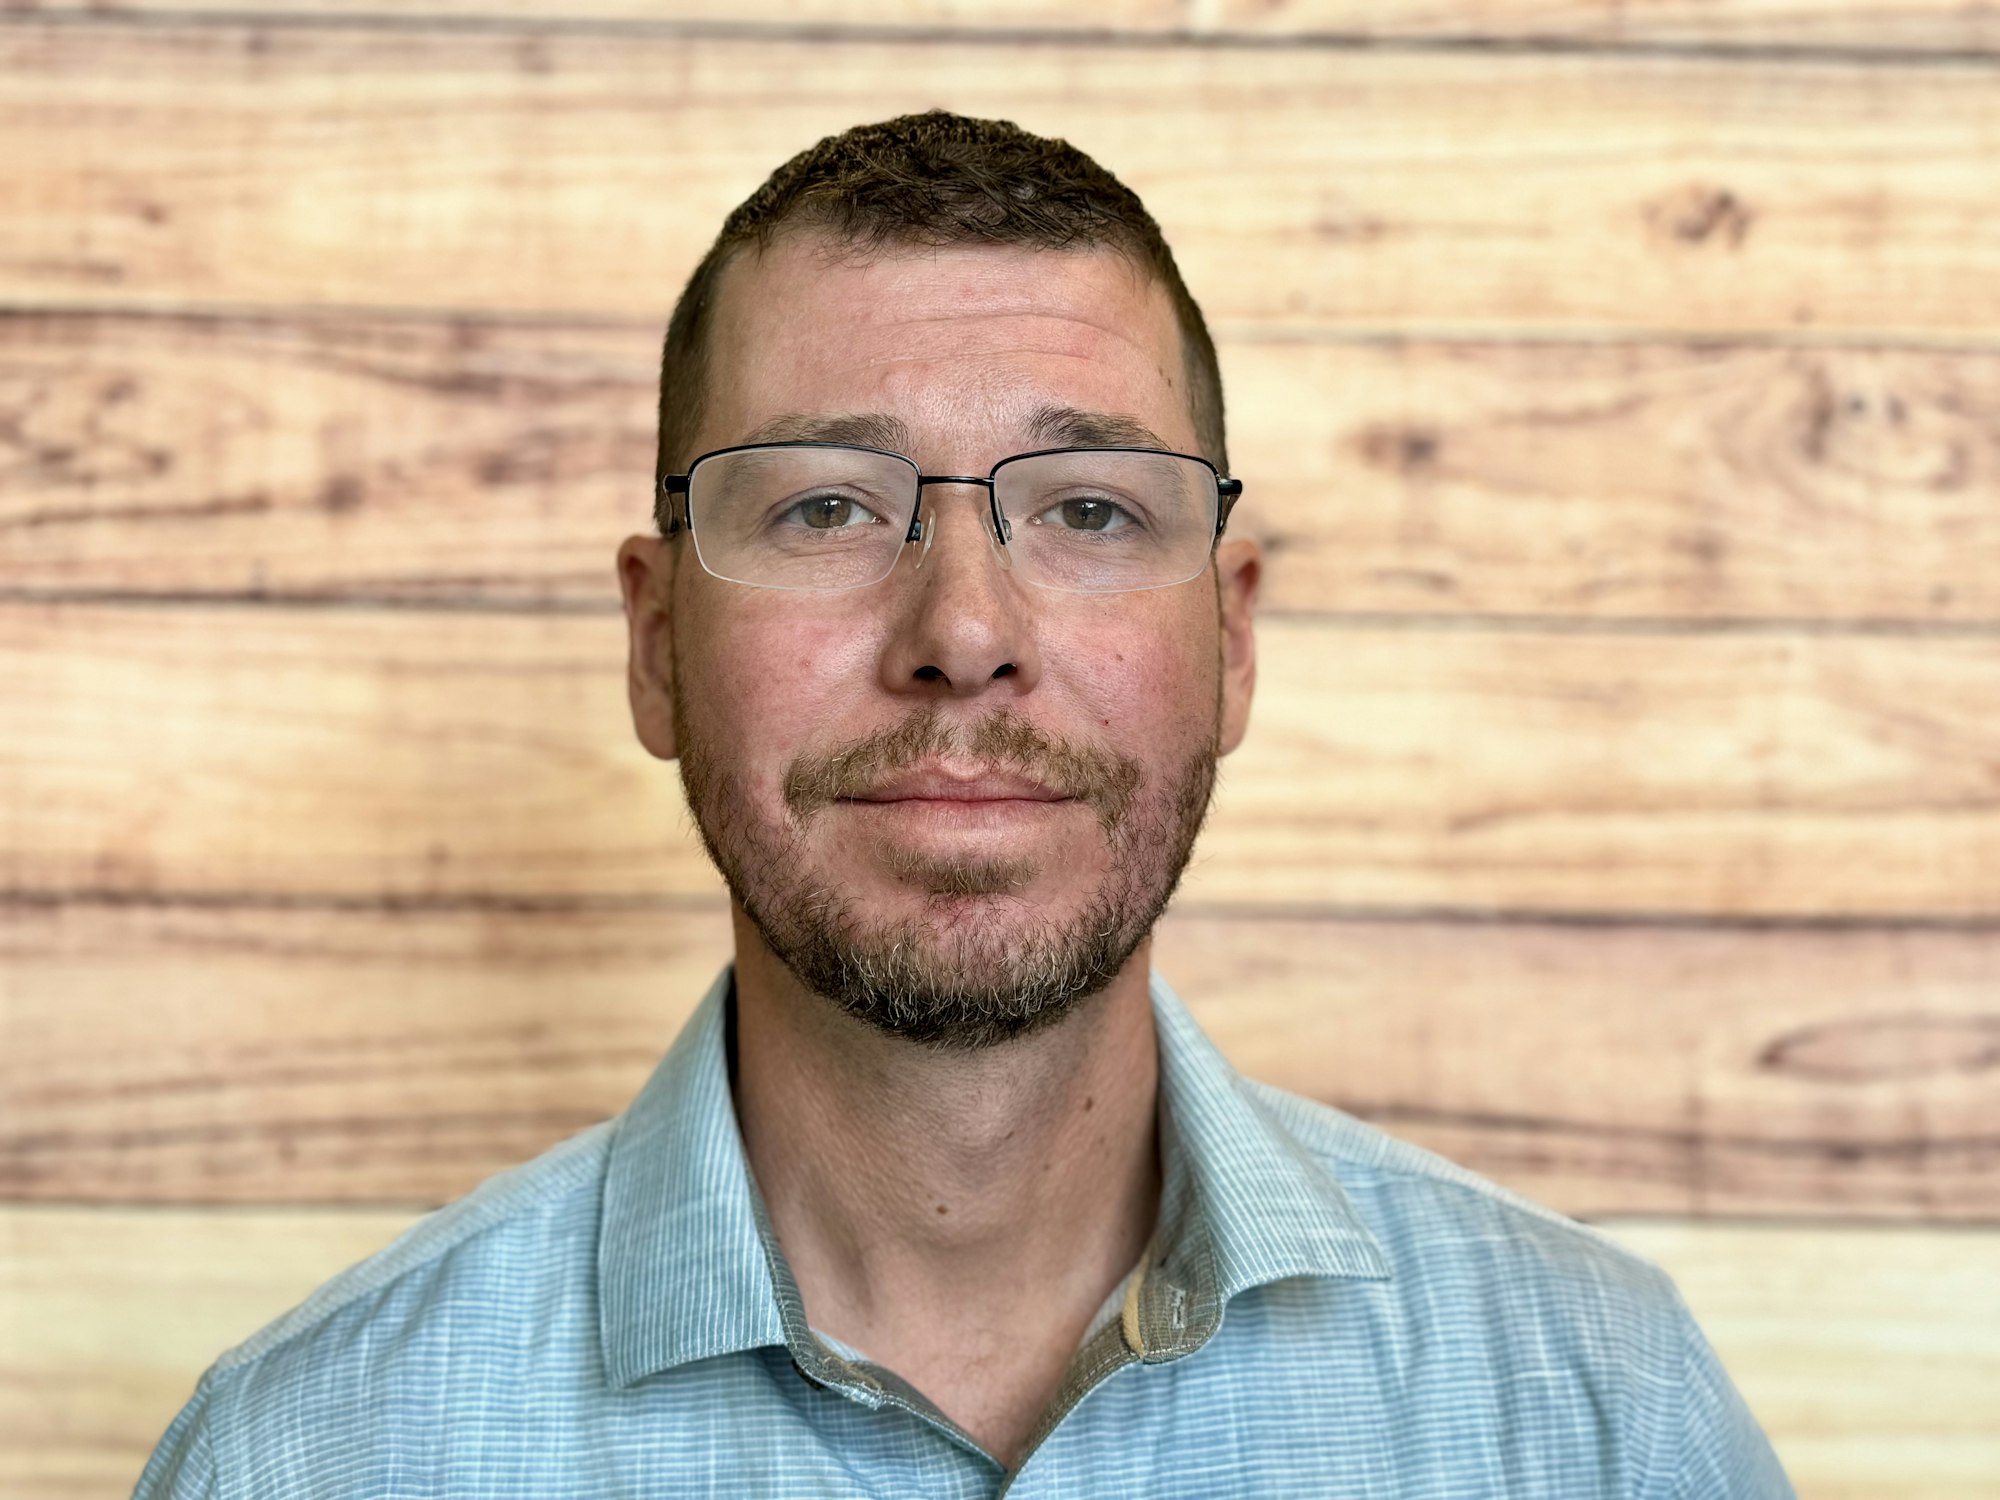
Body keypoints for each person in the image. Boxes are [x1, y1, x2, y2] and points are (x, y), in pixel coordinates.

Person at [132, 111, 1794, 1498]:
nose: (966, 636)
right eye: (827, 509)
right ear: (657, 648)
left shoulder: (1597, 1424)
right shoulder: (307, 1461)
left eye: (1085, 506)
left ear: (1228, 640)